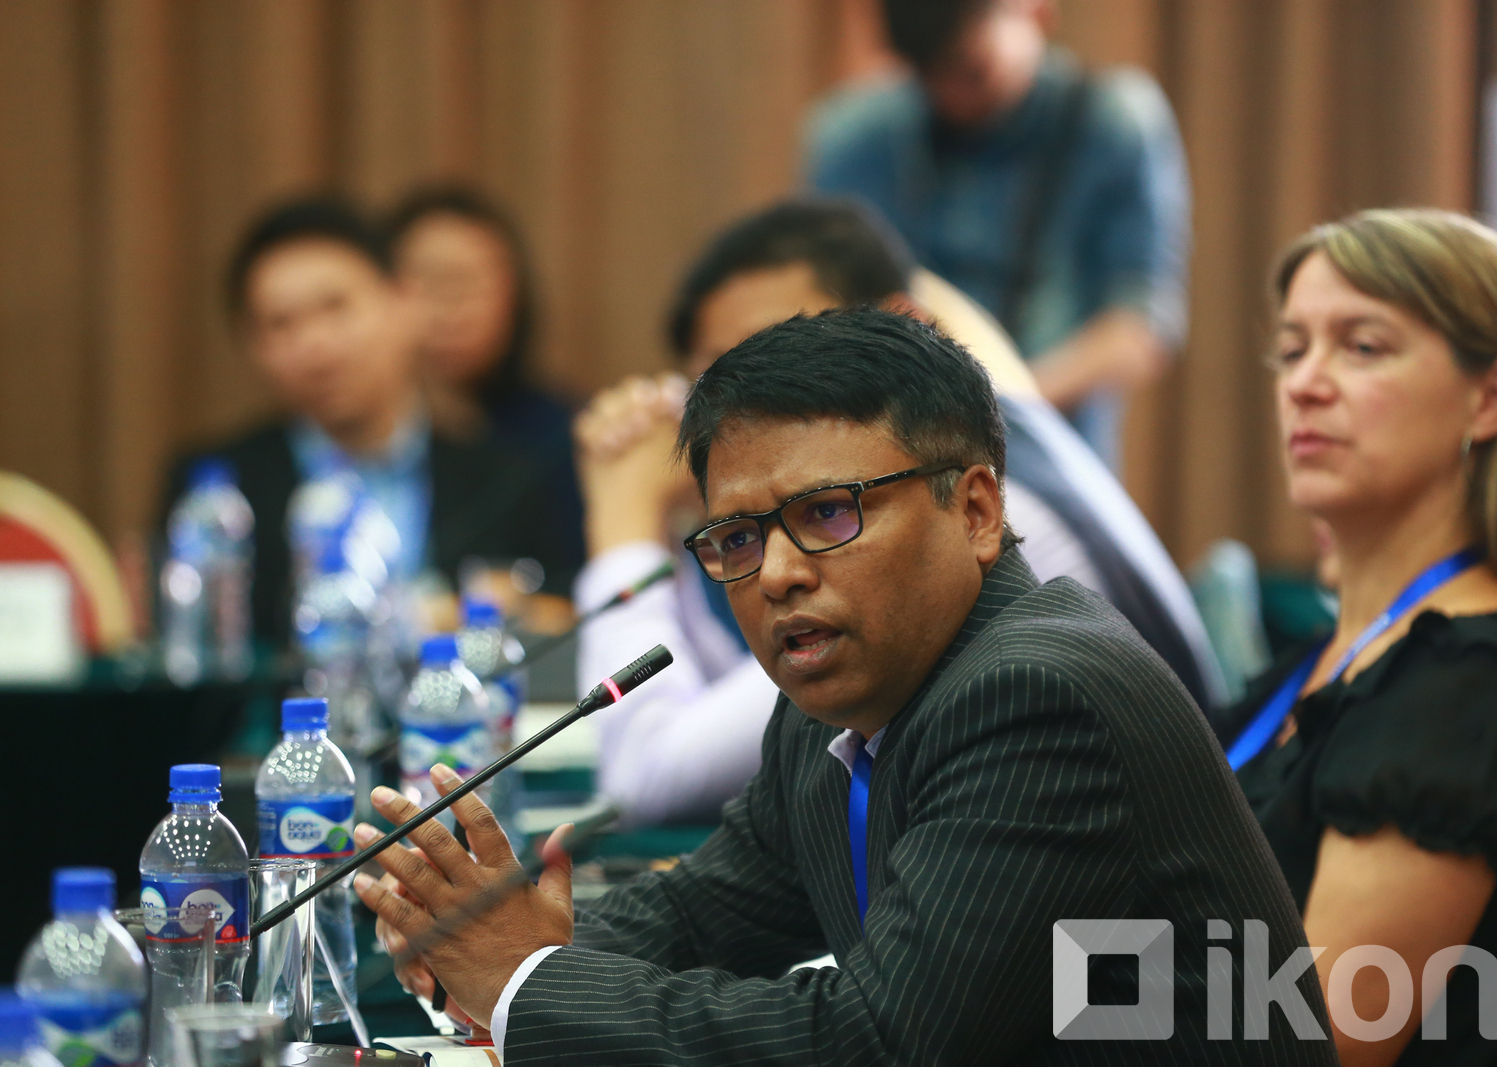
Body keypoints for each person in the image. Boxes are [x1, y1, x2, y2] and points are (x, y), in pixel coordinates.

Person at [354, 308, 1335, 1063]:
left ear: (977, 510)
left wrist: (527, 978)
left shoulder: (1040, 697)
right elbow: (701, 916)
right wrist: (492, 937)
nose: (778, 572)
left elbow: (872, 1042)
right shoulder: (835, 703)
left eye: (827, 513)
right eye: (738, 537)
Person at [576, 197, 1224, 825]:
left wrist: (623, 527)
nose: (753, 405)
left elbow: (648, 775)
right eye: (721, 381)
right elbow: (751, 709)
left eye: (787, 350)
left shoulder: (966, 501)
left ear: (904, 325)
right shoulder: (983, 442)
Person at [1226, 208, 1497, 1064]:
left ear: (1492, 398)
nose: (1305, 383)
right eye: (1292, 349)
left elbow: (1310, 1044)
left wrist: (1059, 993)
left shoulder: (1474, 684)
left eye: (1363, 346)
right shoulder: (1317, 659)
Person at [158, 195, 582, 647]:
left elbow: (565, 626)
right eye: (281, 324)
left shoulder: (507, 479)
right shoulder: (219, 490)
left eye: (335, 307)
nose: (316, 345)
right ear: (253, 349)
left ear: (404, 303)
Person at [805, 0, 1189, 469]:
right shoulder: (852, 135)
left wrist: (1001, 404)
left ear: (1037, 12)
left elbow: (1140, 327)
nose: (950, 97)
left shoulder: (1113, 122)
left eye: (973, 71)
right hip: (890, 454)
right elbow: (820, 304)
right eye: (927, 72)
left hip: (1047, 458)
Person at [386, 185, 584, 561]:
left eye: (469, 284)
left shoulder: (560, 437)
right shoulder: (351, 438)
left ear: (515, 297)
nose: (450, 311)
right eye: (428, 283)